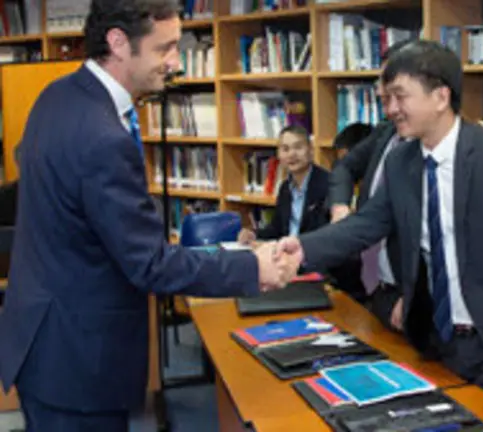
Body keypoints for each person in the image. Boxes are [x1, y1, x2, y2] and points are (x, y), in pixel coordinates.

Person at [0, 1, 299, 430]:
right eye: (165, 48)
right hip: (77, 360)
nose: (176, 62)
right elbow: (149, 263)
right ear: (118, 43)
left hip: (44, 341)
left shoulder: (58, 96)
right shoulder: (102, 136)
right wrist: (252, 268)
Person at [277, 40, 483, 419]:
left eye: (400, 96)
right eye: (387, 98)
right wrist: (301, 249)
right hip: (438, 341)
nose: (391, 109)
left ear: (440, 97)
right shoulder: (401, 162)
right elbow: (366, 224)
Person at [327, 39, 414, 331]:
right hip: (376, 284)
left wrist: (416, 296)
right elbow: (344, 167)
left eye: (392, 87)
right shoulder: (385, 133)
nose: (381, 91)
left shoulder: (433, 150)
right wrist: (340, 205)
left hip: (408, 293)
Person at [238, 125, 367, 302]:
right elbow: (277, 228)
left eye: (298, 147)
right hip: (289, 268)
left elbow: (326, 237)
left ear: (310, 150)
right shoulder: (285, 188)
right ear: (279, 155)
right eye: (285, 149)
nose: (292, 154)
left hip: (318, 272)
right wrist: (254, 234)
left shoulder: (329, 185)